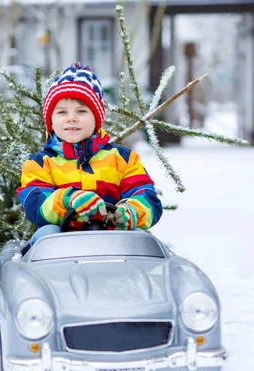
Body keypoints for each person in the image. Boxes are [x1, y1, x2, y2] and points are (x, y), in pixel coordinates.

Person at [16, 62, 163, 248]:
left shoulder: (123, 159)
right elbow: (35, 203)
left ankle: (136, 274)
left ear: (97, 118)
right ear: (51, 121)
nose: (71, 118)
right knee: (47, 234)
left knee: (137, 237)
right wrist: (69, 199)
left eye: (82, 111)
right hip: (60, 249)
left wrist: (131, 211)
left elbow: (146, 195)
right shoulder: (39, 163)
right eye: (62, 112)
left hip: (113, 241)